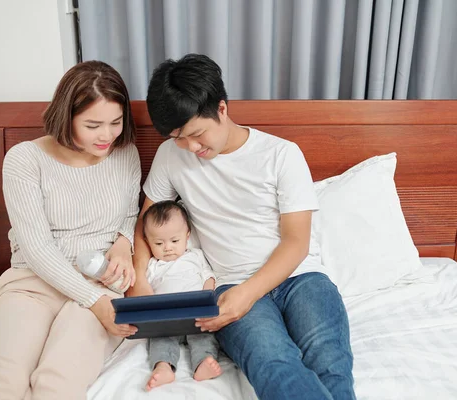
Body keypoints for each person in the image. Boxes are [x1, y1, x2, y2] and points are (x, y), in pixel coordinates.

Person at [128, 53, 356, 400]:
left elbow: (296, 243)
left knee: (329, 360)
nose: (191, 147)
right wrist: (141, 281)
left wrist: (248, 295)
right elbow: (146, 225)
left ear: (221, 108)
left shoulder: (282, 154)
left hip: (300, 278)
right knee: (273, 362)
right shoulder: (170, 156)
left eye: (197, 133)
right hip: (229, 284)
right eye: (178, 137)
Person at [0, 60, 141, 400]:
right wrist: (94, 301)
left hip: (100, 280)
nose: (107, 135)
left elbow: (130, 211)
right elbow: (36, 248)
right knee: (3, 379)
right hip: (34, 281)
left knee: (58, 382)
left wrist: (123, 242)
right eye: (93, 125)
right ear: (67, 117)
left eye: (116, 122)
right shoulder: (24, 159)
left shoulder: (126, 153)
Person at [141, 200, 222, 391]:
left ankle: (203, 362)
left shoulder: (195, 256)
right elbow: (145, 291)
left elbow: (209, 278)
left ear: (187, 236)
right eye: (159, 243)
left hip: (196, 315)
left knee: (204, 336)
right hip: (166, 320)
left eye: (174, 241)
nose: (167, 248)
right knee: (160, 339)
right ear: (147, 242)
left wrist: (207, 299)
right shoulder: (153, 265)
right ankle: (163, 366)